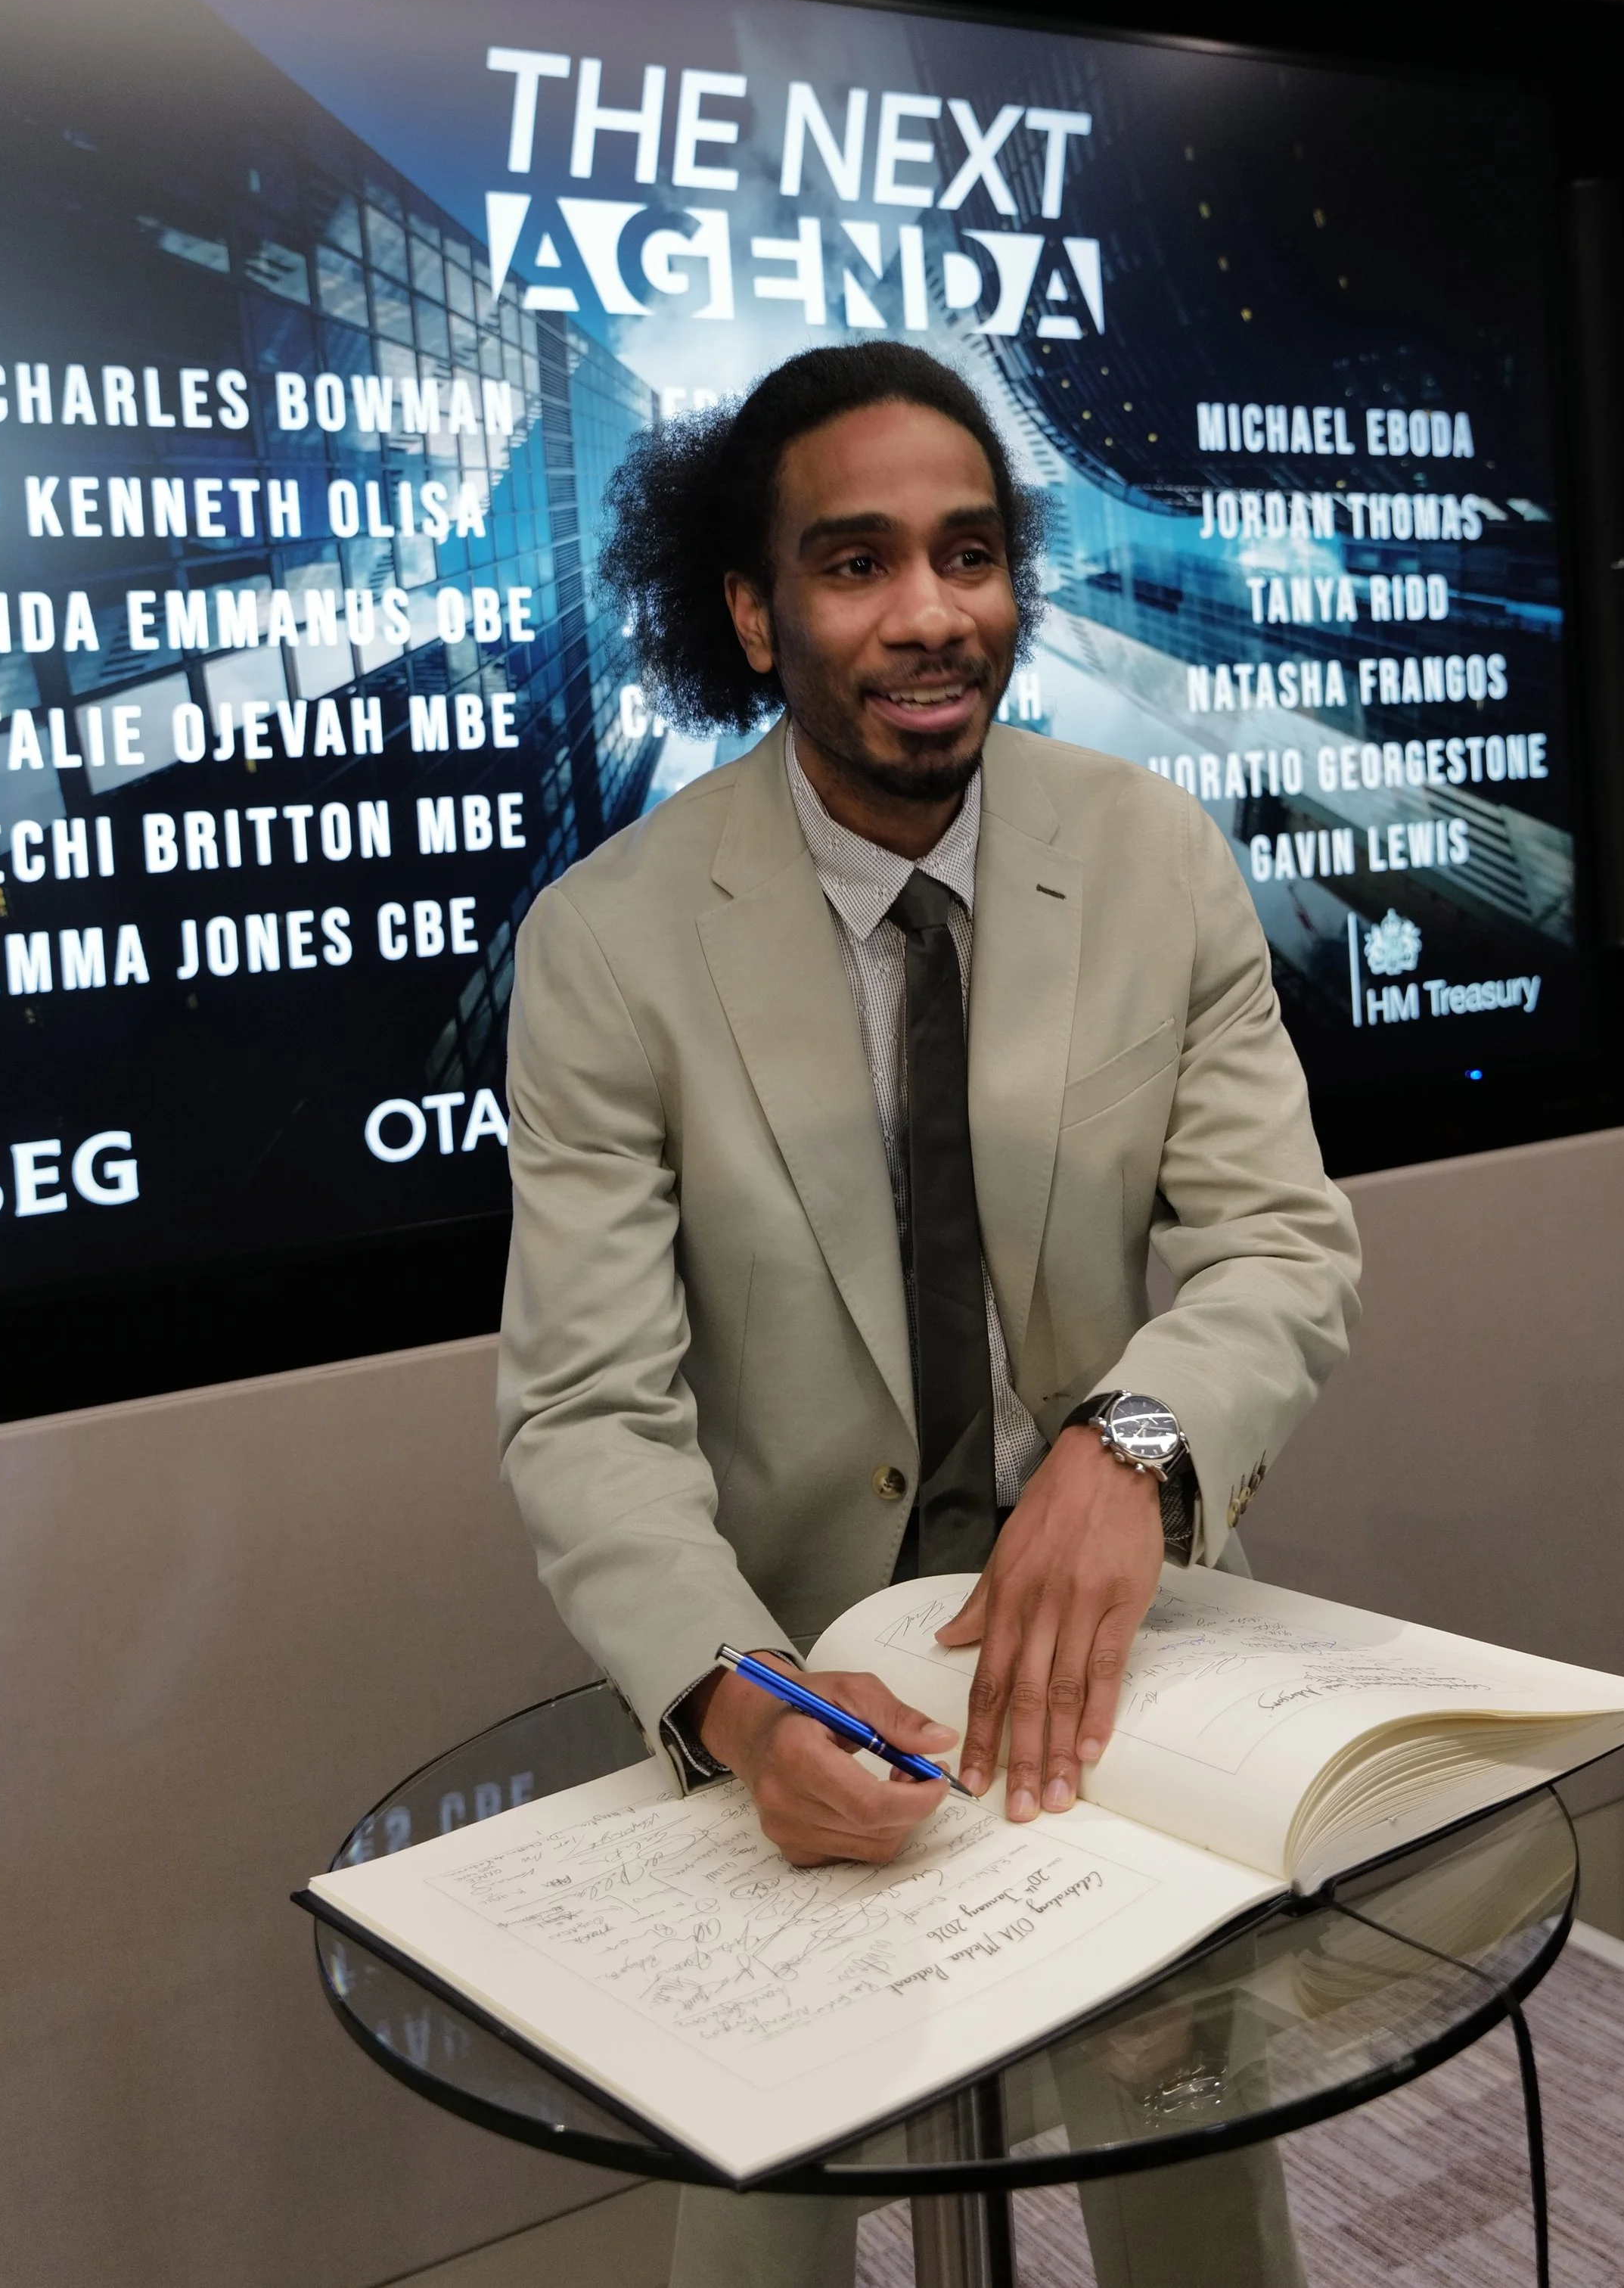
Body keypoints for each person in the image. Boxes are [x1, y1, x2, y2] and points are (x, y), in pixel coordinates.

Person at [498, 342, 1361, 2287]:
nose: (928, 616)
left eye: (968, 555)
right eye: (856, 562)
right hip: (792, 1678)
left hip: (1108, 1657)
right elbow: (586, 1416)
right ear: (748, 609)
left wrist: (1128, 1455)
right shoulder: (608, 946)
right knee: (759, 2242)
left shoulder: (1147, 853)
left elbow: (1277, 1251)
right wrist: (732, 1688)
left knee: (1194, 2210)